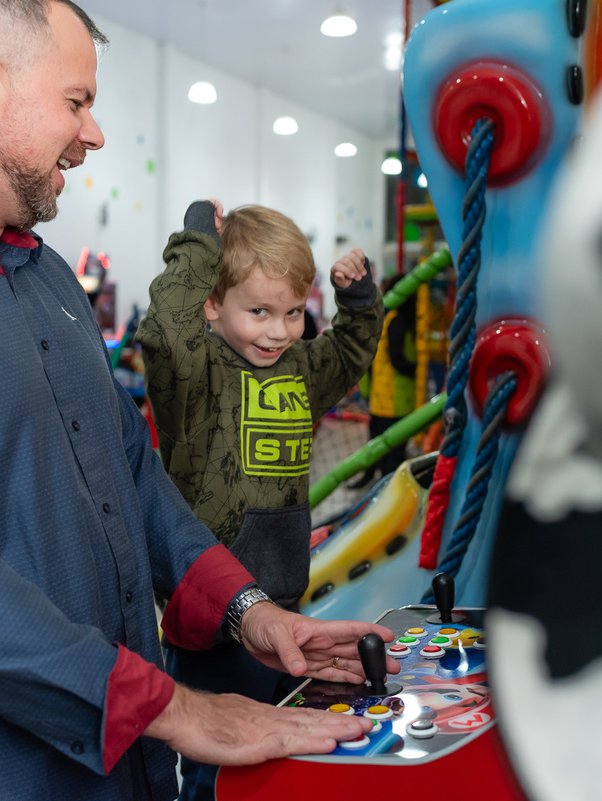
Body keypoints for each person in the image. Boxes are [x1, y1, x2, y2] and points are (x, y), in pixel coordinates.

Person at [0, 3, 396, 800]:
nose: (95, 133)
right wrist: (180, 707)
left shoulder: (44, 276)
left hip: (127, 765)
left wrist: (249, 609)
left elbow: (134, 478)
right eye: (76, 101)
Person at [136, 200, 384, 800]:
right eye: (259, 312)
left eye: (293, 312)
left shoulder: (299, 367)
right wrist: (198, 245)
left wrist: (357, 300)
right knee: (218, 766)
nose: (278, 331)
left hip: (285, 601)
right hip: (212, 616)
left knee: (278, 754)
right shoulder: (196, 376)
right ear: (213, 304)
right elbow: (166, 332)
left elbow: (350, 352)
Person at [348, 275, 419, 488]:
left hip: (382, 397)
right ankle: (383, 487)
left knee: (378, 445)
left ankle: (372, 479)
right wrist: (418, 369)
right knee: (391, 453)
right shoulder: (398, 320)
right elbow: (397, 359)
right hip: (397, 399)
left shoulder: (385, 319)